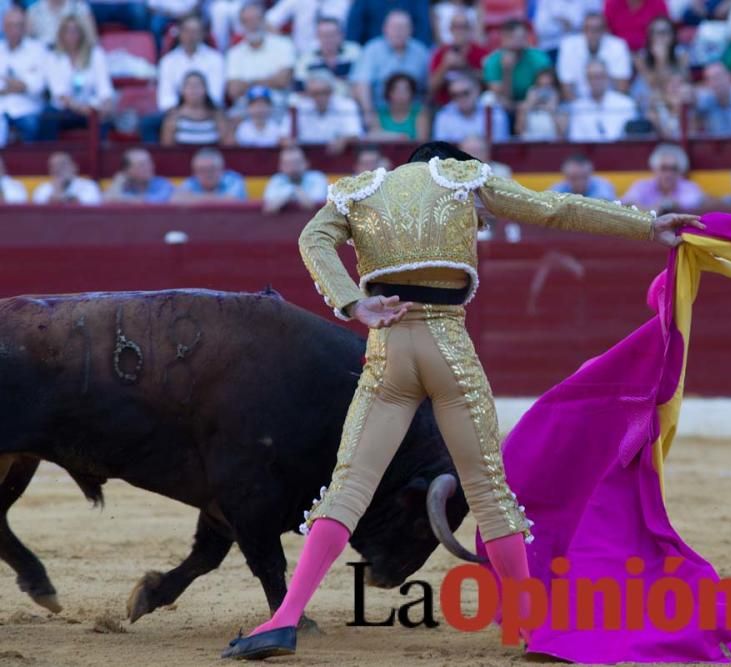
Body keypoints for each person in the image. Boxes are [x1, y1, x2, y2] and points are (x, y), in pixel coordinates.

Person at [219, 140, 704, 661]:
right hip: (448, 349)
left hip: (386, 353)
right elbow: (554, 208)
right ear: (444, 163)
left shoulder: (359, 192)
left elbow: (312, 238)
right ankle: (528, 626)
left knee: (347, 488)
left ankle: (285, 618)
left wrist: (354, 303)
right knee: (490, 493)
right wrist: (647, 225)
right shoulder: (462, 177)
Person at [350, 10, 430, 128]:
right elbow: (361, 84)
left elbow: (428, 87)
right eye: (394, 27)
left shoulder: (421, 52)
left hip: (414, 115)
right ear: (385, 29)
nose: (398, 31)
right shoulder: (372, 50)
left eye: (403, 27)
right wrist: (368, 113)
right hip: (379, 114)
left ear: (411, 30)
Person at [43, 14, 114, 137]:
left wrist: (106, 105)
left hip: (92, 107)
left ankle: (99, 155)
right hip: (64, 111)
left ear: (82, 33)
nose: (72, 35)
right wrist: (80, 108)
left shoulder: (96, 55)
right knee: (47, 116)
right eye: (68, 31)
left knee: (104, 118)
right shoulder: (53, 57)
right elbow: (59, 93)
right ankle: (51, 154)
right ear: (61, 34)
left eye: (75, 31)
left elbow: (104, 87)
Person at [224, 1, 295, 109]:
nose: (253, 24)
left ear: (264, 20)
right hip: (246, 109)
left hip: (277, 106)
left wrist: (248, 83)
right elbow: (233, 90)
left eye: (257, 19)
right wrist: (271, 80)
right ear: (241, 24)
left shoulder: (284, 45)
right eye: (247, 21)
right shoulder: (234, 53)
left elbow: (283, 80)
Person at [556, 11, 632, 99]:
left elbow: (622, 87)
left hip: (611, 104)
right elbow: (566, 88)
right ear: (582, 30)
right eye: (588, 29)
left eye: (597, 29)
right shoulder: (568, 46)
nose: (593, 33)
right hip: (579, 104)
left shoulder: (618, 46)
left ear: (605, 30)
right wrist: (582, 109)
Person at [157, 15, 225, 113]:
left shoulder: (216, 59)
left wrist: (199, 111)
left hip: (209, 112)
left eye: (195, 32)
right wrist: (182, 112)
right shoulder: (167, 61)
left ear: (203, 34)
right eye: (186, 31)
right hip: (175, 112)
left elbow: (216, 95)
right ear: (179, 33)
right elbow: (166, 98)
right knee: (148, 123)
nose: (190, 36)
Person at [0, 6, 48, 142]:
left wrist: (14, 86)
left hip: (28, 108)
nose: (14, 30)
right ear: (3, 27)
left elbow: (39, 86)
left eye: (18, 25)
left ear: (25, 27)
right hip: (1, 108)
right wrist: (20, 85)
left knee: (32, 125)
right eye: (10, 25)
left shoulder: (38, 50)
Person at [483, 18, 553, 110]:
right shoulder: (492, 61)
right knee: (489, 99)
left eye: (521, 37)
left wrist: (527, 105)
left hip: (534, 105)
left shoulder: (538, 57)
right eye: (511, 37)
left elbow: (546, 88)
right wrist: (507, 71)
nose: (517, 42)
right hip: (506, 109)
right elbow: (502, 98)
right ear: (503, 38)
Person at [566, 59, 638, 142]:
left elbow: (632, 140)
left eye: (599, 76)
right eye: (592, 77)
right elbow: (576, 141)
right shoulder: (577, 107)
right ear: (586, 80)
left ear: (607, 77)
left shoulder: (626, 105)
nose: (596, 81)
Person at [293, 70, 364, 151]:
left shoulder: (347, 105)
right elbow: (285, 135)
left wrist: (344, 140)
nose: (320, 97)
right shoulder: (299, 108)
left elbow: (355, 134)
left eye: (325, 92)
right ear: (308, 93)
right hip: (307, 156)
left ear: (332, 91)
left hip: (339, 157)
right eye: (315, 93)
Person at [427, 10, 487, 106]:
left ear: (470, 29)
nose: (460, 31)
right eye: (456, 27)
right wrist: (445, 66)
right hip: (445, 107)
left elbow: (487, 83)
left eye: (464, 27)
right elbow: (431, 88)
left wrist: (465, 67)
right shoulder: (440, 53)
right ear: (450, 29)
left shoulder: (481, 52)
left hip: (475, 107)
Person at [622, 143, 705, 211]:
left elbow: (692, 202)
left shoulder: (690, 187)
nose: (668, 174)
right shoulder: (641, 186)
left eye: (673, 169)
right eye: (663, 168)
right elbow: (627, 202)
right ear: (655, 169)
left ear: (680, 171)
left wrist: (664, 205)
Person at [161, 71, 231, 146]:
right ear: (182, 90)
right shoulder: (173, 117)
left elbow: (229, 145)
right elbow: (167, 149)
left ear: (205, 89)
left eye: (197, 85)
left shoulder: (217, 116)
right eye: (189, 86)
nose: (193, 89)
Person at [432, 74, 509, 142]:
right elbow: (441, 151)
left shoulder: (495, 113)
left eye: (465, 93)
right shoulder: (444, 116)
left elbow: (499, 147)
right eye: (455, 95)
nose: (461, 98)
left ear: (477, 90)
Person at [293, 17, 360, 93]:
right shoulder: (306, 59)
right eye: (324, 35)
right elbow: (299, 89)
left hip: (350, 100)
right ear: (317, 36)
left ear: (341, 35)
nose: (328, 39)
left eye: (332, 35)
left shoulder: (354, 53)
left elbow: (362, 82)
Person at [265, 0, 353, 54]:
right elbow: (268, 21)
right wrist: (286, 45)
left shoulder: (343, 2)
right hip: (302, 56)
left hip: (337, 57)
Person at [262, 145, 328, 213]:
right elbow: (269, 209)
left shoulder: (318, 178)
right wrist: (290, 190)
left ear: (306, 163)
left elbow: (314, 207)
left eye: (296, 163)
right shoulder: (276, 180)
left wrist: (295, 190)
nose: (293, 168)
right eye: (288, 164)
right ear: (281, 166)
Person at [692, 62, 731, 137]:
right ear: (707, 84)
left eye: (719, 77)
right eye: (711, 79)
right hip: (714, 147)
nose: (716, 82)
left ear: (729, 77)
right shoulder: (704, 103)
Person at [172, 148, 248, 203]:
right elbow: (175, 200)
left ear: (221, 169)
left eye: (211, 169)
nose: (207, 174)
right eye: (202, 170)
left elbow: (233, 201)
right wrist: (220, 199)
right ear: (195, 172)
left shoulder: (234, 180)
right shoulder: (191, 182)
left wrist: (193, 198)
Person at [370, 72, 428, 141]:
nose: (401, 94)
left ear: (412, 93)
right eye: (396, 90)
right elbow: (373, 136)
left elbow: (421, 142)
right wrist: (399, 137)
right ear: (389, 93)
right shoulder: (379, 113)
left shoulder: (420, 112)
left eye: (406, 90)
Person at [104, 148, 174, 203]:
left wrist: (123, 200)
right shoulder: (122, 186)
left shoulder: (162, 184)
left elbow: (154, 202)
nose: (148, 167)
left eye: (149, 163)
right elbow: (106, 200)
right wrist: (118, 182)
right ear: (128, 170)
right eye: (141, 165)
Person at [32, 151, 101, 205]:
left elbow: (87, 210)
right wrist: (57, 190)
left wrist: (59, 195)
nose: (57, 169)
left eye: (62, 165)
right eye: (53, 166)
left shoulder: (88, 186)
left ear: (74, 167)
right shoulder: (42, 189)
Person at [603, 0, 669, 52]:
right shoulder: (612, 3)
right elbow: (605, 31)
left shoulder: (657, 3)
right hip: (618, 53)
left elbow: (666, 30)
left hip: (650, 53)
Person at [26, 0, 96, 47]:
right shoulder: (34, 10)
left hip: (74, 55)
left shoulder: (80, 8)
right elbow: (27, 42)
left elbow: (92, 40)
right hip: (43, 57)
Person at [550, 153, 617, 200]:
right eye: (574, 178)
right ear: (566, 177)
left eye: (584, 177)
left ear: (590, 174)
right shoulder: (556, 190)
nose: (580, 182)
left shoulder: (603, 187)